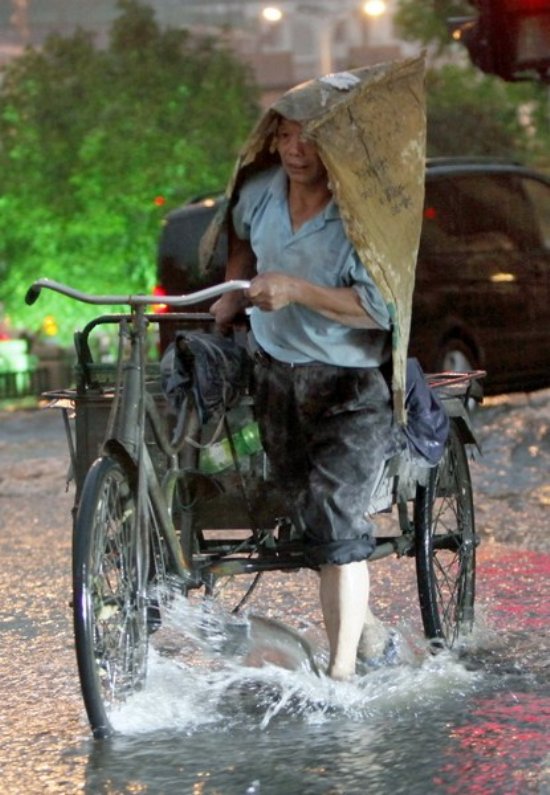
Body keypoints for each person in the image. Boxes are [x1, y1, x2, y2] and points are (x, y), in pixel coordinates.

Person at [210, 115, 394, 680]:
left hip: (349, 386)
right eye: (286, 135)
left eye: (310, 137)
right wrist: (235, 291)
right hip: (277, 380)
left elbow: (377, 309)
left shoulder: (359, 211)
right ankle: (367, 631)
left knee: (338, 517)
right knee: (309, 516)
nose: (296, 149)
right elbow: (240, 236)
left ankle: (340, 679)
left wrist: (296, 290)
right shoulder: (261, 192)